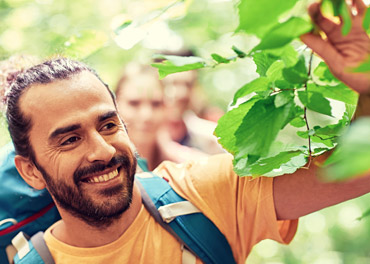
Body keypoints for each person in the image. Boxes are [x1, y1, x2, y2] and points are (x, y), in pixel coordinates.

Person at [2, 1, 370, 263]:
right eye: (69, 139)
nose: (102, 150)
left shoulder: (201, 198)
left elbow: (355, 172)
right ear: (30, 170)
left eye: (108, 125)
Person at [115, 63, 209, 171]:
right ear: (115, 105)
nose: (147, 115)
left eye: (156, 104)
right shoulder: (103, 169)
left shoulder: (186, 165)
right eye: (134, 103)